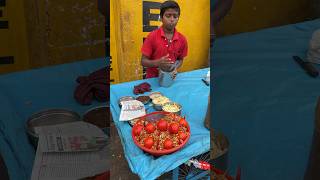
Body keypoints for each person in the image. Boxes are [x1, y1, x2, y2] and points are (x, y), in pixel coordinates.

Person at [141, 0, 188, 79]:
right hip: (152, 80)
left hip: (171, 78)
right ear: (161, 18)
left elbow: (180, 59)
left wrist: (175, 67)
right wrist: (158, 63)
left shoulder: (182, 39)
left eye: (175, 16)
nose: (172, 19)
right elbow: (143, 61)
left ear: (178, 18)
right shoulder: (152, 36)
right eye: (168, 16)